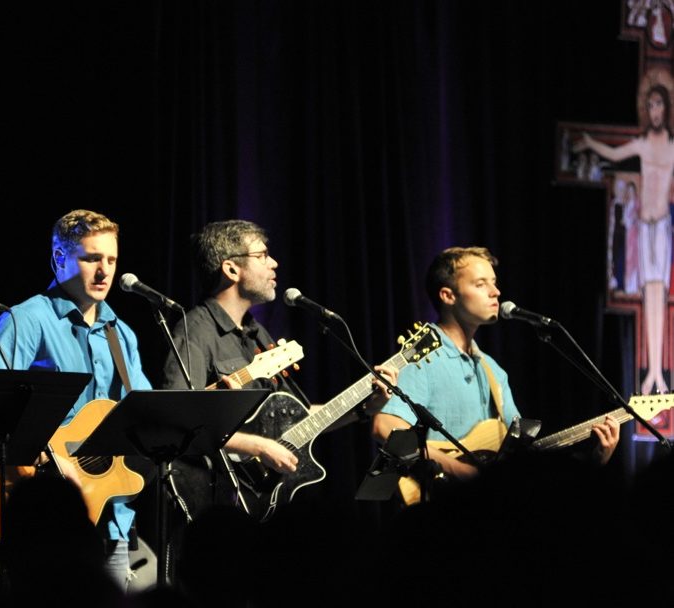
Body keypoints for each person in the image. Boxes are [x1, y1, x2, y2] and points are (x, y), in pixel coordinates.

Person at [0, 209, 152, 590]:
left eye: (112, 260)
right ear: (59, 258)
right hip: (41, 513)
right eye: (91, 258)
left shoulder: (122, 335)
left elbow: (145, 414)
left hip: (111, 514)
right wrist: (46, 457)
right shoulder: (26, 320)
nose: (105, 271)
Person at [160, 219, 393, 522]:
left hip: (262, 500)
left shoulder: (259, 335)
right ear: (231, 269)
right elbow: (174, 422)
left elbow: (301, 420)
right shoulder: (195, 331)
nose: (274, 263)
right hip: (216, 504)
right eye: (263, 255)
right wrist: (256, 445)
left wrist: (363, 408)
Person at [372, 246, 620, 492]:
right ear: (448, 296)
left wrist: (593, 461)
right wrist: (464, 472)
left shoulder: (493, 370)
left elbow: (520, 457)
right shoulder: (422, 358)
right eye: (480, 284)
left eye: (494, 282)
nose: (496, 292)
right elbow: (385, 427)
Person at [574, 83, 674, 394]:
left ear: (667, 109)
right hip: (644, 227)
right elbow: (615, 153)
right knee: (648, 297)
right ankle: (653, 373)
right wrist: (591, 141)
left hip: (662, 227)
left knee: (658, 296)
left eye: (660, 105)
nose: (655, 111)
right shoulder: (642, 145)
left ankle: (657, 373)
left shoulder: (672, 147)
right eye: (651, 105)